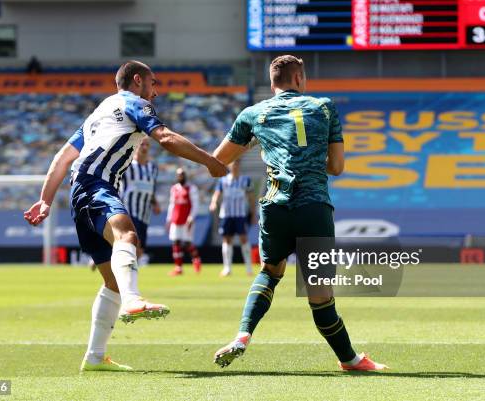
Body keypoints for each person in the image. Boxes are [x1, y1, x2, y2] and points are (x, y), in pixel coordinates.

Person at [24, 60, 227, 372]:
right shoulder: (134, 104)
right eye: (153, 83)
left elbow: (62, 157)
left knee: (112, 279)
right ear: (137, 80)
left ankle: (94, 357)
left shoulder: (98, 113)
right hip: (95, 186)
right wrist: (209, 161)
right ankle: (133, 301)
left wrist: (44, 200)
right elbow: (167, 138)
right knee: (128, 236)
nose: (155, 92)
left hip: (81, 190)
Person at [211, 55, 387, 371]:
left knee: (269, 272)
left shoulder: (253, 113)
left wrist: (254, 143)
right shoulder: (324, 107)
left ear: (272, 83)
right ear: (299, 79)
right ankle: (350, 360)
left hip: (276, 207)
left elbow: (217, 163)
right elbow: (337, 167)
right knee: (320, 297)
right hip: (314, 207)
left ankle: (242, 335)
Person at [209, 159, 256, 277]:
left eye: (236, 164)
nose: (234, 166)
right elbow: (216, 194)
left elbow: (251, 198)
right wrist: (213, 203)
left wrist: (253, 214)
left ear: (239, 165)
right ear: (229, 166)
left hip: (240, 215)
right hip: (226, 214)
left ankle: (249, 268)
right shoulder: (223, 180)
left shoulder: (245, 180)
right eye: (233, 164)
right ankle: (227, 268)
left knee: (244, 239)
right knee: (227, 240)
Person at [119, 136, 161, 267]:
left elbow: (151, 189)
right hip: (129, 211)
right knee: (133, 244)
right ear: (136, 146)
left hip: (145, 214)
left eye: (147, 145)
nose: (145, 147)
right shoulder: (128, 166)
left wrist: (155, 203)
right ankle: (124, 276)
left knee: (140, 250)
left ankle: (109, 257)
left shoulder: (153, 168)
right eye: (142, 144)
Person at [166, 167, 202, 276]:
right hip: (176, 219)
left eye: (182, 174)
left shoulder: (191, 188)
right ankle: (178, 268)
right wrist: (168, 219)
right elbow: (171, 204)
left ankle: (196, 260)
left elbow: (195, 204)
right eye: (178, 174)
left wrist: (191, 217)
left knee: (187, 243)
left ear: (185, 175)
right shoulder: (174, 189)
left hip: (186, 220)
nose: (180, 176)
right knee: (176, 242)